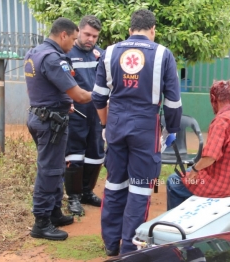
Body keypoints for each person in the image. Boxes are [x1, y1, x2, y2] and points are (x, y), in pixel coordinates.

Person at [92, 9, 182, 255]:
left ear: (130, 30)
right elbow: (173, 102)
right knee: (141, 187)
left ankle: (111, 245)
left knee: (114, 184)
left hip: (116, 123)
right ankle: (130, 249)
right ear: (152, 30)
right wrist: (172, 129)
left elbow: (98, 97)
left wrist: (104, 125)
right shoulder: (163, 54)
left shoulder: (109, 52)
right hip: (145, 126)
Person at [24, 17, 92, 240]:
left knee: (55, 167)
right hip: (50, 123)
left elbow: (43, 88)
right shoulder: (53, 59)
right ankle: (41, 223)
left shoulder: (35, 52)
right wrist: (104, 97)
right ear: (63, 35)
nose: (73, 44)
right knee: (49, 170)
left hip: (41, 116)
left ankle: (53, 213)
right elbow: (80, 95)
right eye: (73, 39)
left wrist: (62, 103)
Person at [166, 80, 230, 210]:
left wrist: (194, 170)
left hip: (219, 185)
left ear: (213, 98)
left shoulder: (221, 121)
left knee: (174, 181)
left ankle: (174, 222)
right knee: (185, 174)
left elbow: (210, 157)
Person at [64, 15, 104, 216]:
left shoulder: (100, 55)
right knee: (74, 155)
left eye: (95, 36)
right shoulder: (67, 53)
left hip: (97, 114)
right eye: (87, 34)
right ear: (78, 31)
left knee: (96, 155)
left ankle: (88, 192)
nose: (90, 39)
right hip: (76, 114)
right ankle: (74, 197)